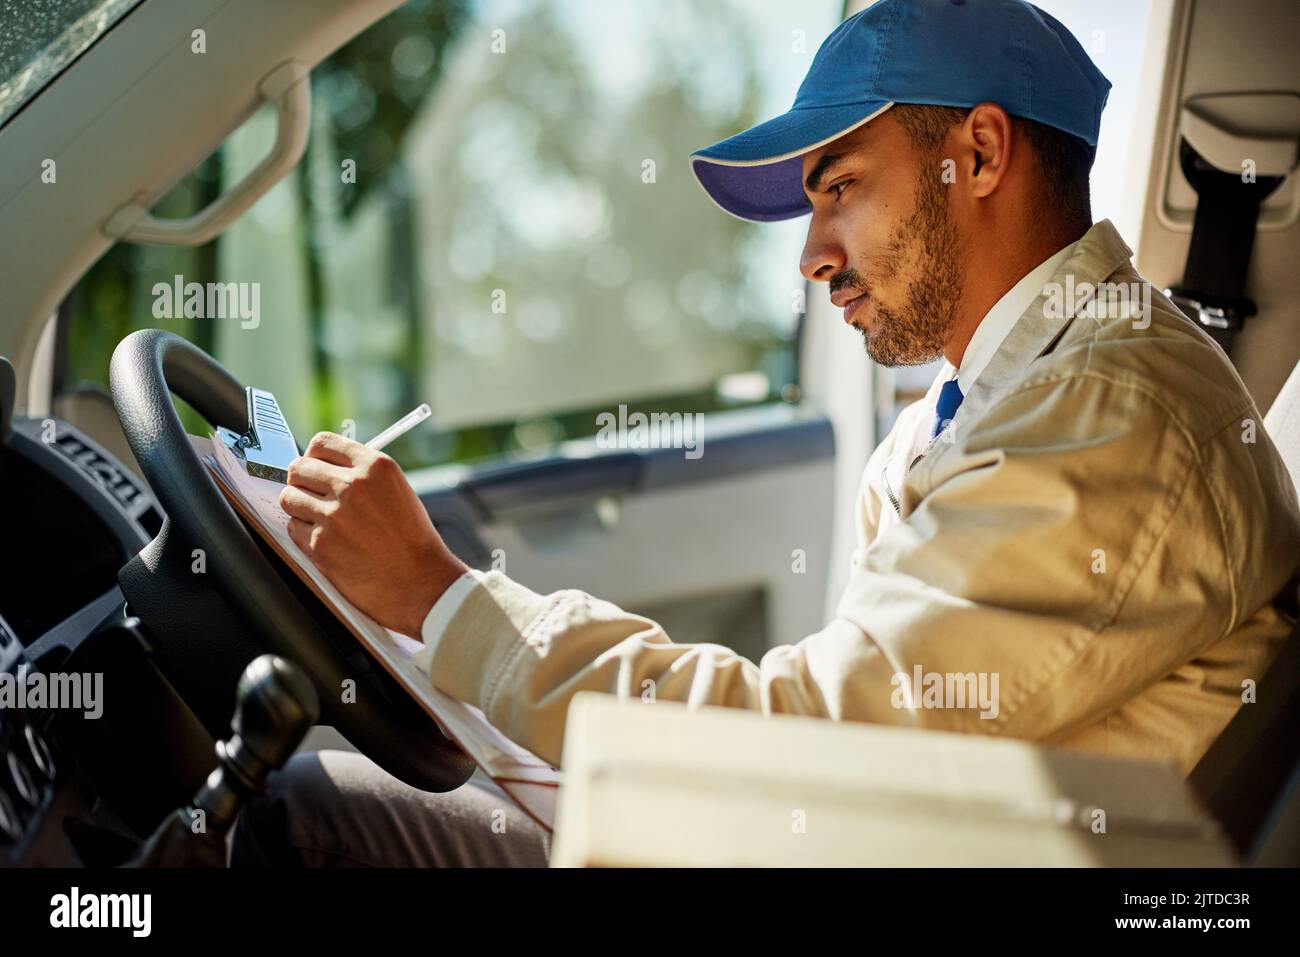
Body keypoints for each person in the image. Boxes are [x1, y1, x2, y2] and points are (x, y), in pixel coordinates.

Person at [231, 0, 1300, 867]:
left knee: (297, 817)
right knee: (316, 801)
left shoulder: (1109, 423)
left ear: (976, 154)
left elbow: (815, 747)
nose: (811, 256)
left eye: (839, 190)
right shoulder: (999, 400)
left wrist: (441, 596)